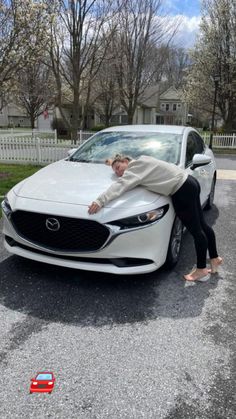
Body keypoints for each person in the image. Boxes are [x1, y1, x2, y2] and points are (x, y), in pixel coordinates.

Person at [88, 155, 223, 281]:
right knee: (203, 225)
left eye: (118, 168)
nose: (118, 173)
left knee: (196, 230)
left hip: (181, 190)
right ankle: (214, 258)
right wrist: (112, 163)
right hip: (190, 182)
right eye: (115, 171)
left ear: (126, 162)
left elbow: (120, 185)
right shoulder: (143, 159)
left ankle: (201, 269)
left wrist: (100, 201)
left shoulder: (134, 169)